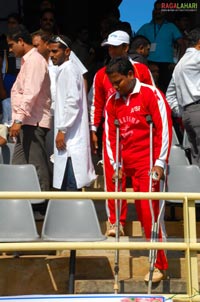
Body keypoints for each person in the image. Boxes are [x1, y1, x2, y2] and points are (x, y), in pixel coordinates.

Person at [104, 56, 172, 283]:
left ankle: (158, 265)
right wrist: (115, 165)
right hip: (126, 163)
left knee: (149, 214)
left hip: (148, 163)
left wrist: (160, 162)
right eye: (112, 83)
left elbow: (164, 129)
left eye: (118, 82)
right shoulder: (112, 102)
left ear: (131, 75)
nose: (114, 87)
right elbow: (110, 137)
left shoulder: (151, 94)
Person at [90, 30, 155, 237]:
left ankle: (148, 223)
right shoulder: (101, 74)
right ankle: (115, 221)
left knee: (141, 182)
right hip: (114, 133)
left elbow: (152, 97)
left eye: (115, 47)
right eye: (108, 47)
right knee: (113, 177)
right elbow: (97, 103)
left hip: (139, 134)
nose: (111, 50)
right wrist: (94, 128)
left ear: (126, 48)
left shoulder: (141, 70)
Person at [48, 35, 96, 191]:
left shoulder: (69, 69)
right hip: (68, 136)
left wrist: (62, 130)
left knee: (70, 187)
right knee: (66, 187)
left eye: (55, 51)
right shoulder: (65, 70)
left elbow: (72, 103)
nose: (51, 55)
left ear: (67, 52)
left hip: (71, 137)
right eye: (50, 52)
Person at [7, 25, 52, 191]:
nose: (10, 50)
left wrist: (18, 119)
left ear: (20, 41)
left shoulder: (35, 61)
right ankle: (22, 204)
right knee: (18, 166)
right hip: (26, 121)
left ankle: (42, 206)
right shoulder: (29, 61)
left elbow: (30, 93)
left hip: (33, 121)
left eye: (12, 45)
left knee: (36, 165)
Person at [166, 27, 200, 165]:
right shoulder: (197, 57)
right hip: (197, 108)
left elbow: (169, 95)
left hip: (188, 114)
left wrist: (182, 112)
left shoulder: (179, 65)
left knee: (196, 156)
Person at [136, 0, 185, 92]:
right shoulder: (145, 27)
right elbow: (135, 42)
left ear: (165, 11)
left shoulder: (171, 26)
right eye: (156, 9)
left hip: (167, 64)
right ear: (153, 11)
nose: (158, 11)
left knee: (166, 90)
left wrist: (178, 62)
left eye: (160, 9)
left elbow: (182, 44)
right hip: (149, 62)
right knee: (148, 89)